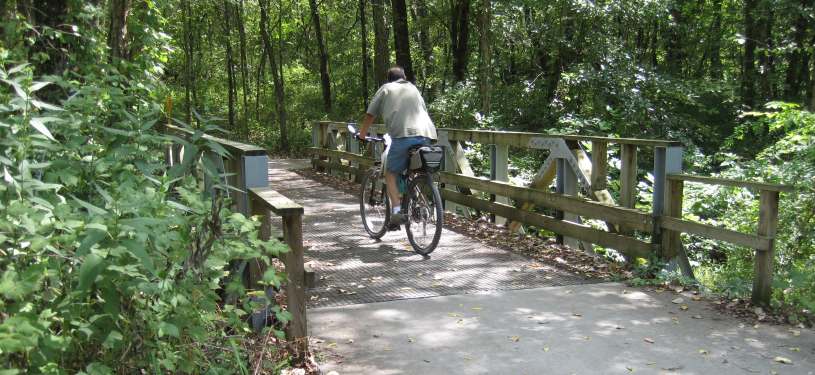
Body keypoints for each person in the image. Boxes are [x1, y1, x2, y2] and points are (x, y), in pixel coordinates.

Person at [358, 66, 437, 225]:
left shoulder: (386, 88)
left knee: (390, 173)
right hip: (428, 134)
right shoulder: (413, 88)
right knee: (413, 169)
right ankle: (417, 200)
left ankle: (396, 212)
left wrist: (362, 134)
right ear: (404, 77)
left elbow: (370, 114)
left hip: (403, 135)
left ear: (389, 79)